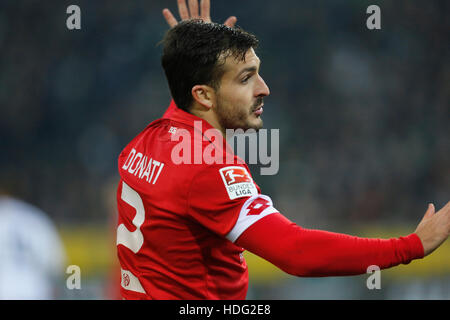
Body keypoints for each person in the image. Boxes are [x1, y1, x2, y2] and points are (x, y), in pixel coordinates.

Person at [115, 0, 450, 300]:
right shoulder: (208, 169)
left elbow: (183, 104)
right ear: (203, 95)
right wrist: (411, 246)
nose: (264, 89)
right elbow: (295, 252)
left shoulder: (148, 140)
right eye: (246, 79)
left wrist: (188, 59)